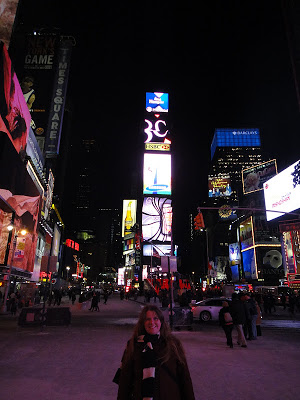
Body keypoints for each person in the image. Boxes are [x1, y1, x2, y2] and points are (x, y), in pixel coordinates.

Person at [117, 305, 195, 400]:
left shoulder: (173, 344)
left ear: (161, 321)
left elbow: (184, 378)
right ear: (143, 323)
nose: (152, 322)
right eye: (147, 319)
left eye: (155, 318)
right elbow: (125, 381)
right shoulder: (134, 345)